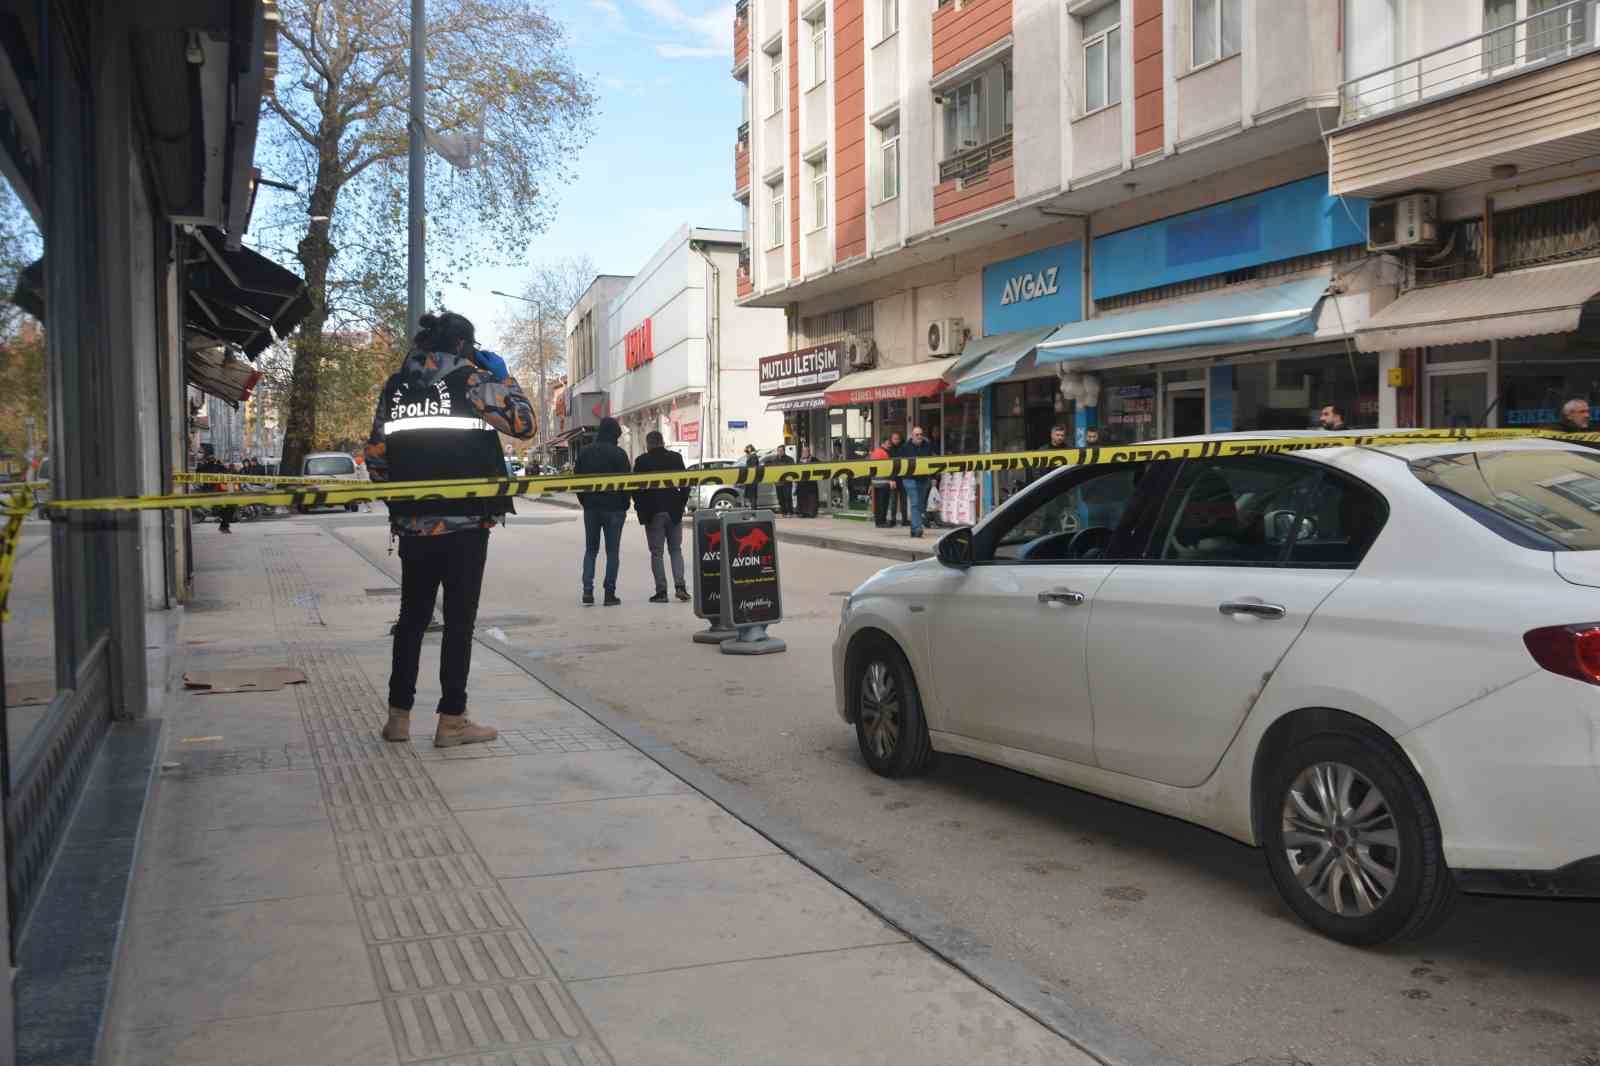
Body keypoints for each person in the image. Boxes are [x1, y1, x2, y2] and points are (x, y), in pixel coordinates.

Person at [366, 310, 536, 748]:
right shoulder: (473, 382)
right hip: (466, 524)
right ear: (463, 345)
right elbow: (525, 425)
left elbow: (376, 458)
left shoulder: (395, 387)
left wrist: (405, 502)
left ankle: (398, 718)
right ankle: (451, 720)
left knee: (411, 620)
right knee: (459, 622)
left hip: (412, 525)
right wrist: (505, 378)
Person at [575, 416, 631, 606]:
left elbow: (577, 482)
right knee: (612, 552)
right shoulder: (619, 454)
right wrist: (625, 504)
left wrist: (585, 502)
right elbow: (627, 483)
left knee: (591, 549)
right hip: (614, 509)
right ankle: (609, 593)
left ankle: (587, 592)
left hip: (591, 507)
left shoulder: (585, 452)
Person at [632, 430, 691, 603]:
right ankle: (680, 587)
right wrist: (681, 503)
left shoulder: (642, 461)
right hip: (674, 511)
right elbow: (685, 483)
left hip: (653, 512)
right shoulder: (675, 458)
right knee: (676, 550)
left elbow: (635, 489)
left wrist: (639, 507)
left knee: (657, 553)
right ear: (662, 442)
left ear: (648, 444)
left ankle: (661, 592)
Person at [898, 425, 938, 538]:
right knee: (915, 503)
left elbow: (932, 462)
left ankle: (914, 528)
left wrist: (934, 477)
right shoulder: (905, 447)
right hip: (909, 479)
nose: (919, 436)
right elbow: (898, 463)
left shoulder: (927, 446)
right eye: (917, 435)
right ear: (912, 436)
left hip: (924, 479)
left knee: (920, 504)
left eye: (921, 434)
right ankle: (917, 529)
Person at [196, 455, 236, 533]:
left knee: (227, 508)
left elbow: (197, 471)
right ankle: (224, 526)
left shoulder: (206, 467)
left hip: (214, 492)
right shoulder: (216, 466)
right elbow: (227, 472)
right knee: (228, 509)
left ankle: (224, 525)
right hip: (214, 492)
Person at [869, 439, 894, 527]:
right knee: (883, 503)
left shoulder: (875, 452)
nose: (889, 445)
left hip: (875, 482)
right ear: (883, 444)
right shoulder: (885, 453)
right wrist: (891, 480)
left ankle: (878, 521)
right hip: (883, 482)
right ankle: (882, 522)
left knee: (878, 503)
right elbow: (888, 468)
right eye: (888, 444)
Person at [886, 430, 907, 527]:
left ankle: (905, 519)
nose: (896, 440)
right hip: (894, 478)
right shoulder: (889, 450)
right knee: (893, 500)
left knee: (904, 500)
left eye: (898, 439)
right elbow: (889, 466)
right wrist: (891, 479)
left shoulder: (904, 448)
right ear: (891, 439)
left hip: (903, 477)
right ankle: (893, 520)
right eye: (894, 439)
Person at [770, 446, 795, 516]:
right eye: (778, 451)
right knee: (780, 498)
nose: (780, 452)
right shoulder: (774, 460)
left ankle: (790, 511)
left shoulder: (789, 459)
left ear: (784, 451)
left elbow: (792, 469)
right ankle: (783, 512)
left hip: (787, 482)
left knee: (787, 497)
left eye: (781, 451)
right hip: (778, 483)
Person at [795, 446, 819, 517]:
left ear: (809, 452)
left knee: (812, 499)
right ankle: (803, 513)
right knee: (802, 498)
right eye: (803, 451)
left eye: (806, 451)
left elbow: (819, 467)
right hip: (802, 484)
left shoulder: (814, 459)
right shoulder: (799, 460)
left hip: (811, 483)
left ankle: (812, 513)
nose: (804, 453)